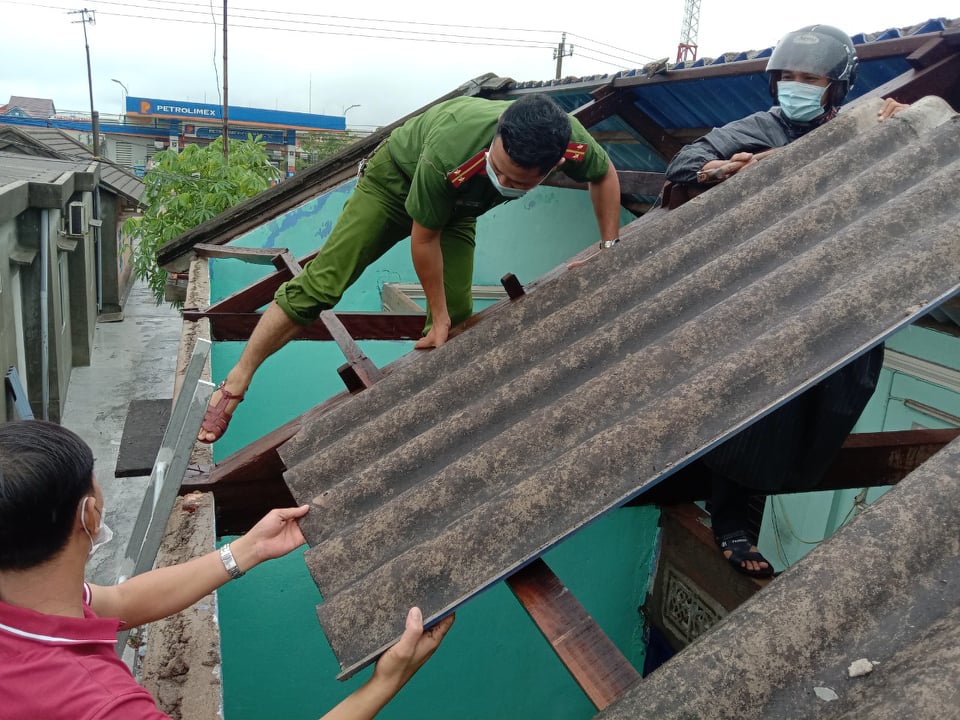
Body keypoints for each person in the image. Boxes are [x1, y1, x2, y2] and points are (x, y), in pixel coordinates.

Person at [198, 92, 623, 443]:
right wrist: (436, 315)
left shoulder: (569, 140)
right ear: (498, 133)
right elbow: (425, 238)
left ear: (555, 163)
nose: (507, 185)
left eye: (520, 184)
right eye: (501, 173)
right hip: (393, 184)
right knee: (323, 285)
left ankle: (433, 427)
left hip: (458, 206)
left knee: (458, 318)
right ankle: (237, 381)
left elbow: (603, 175)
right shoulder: (451, 148)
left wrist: (609, 248)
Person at [0, 419, 454, 720]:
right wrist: (385, 682)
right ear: (89, 516)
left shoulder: (28, 601)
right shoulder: (103, 705)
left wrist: (247, 550)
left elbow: (117, 602)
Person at [663, 24, 908, 577]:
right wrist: (724, 169)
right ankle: (732, 520)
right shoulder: (759, 128)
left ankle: (766, 487)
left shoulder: (858, 127)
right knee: (756, 400)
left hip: (827, 286)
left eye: (811, 79)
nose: (797, 86)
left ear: (836, 87)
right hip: (763, 288)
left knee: (847, 384)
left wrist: (902, 118)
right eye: (789, 77)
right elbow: (687, 161)